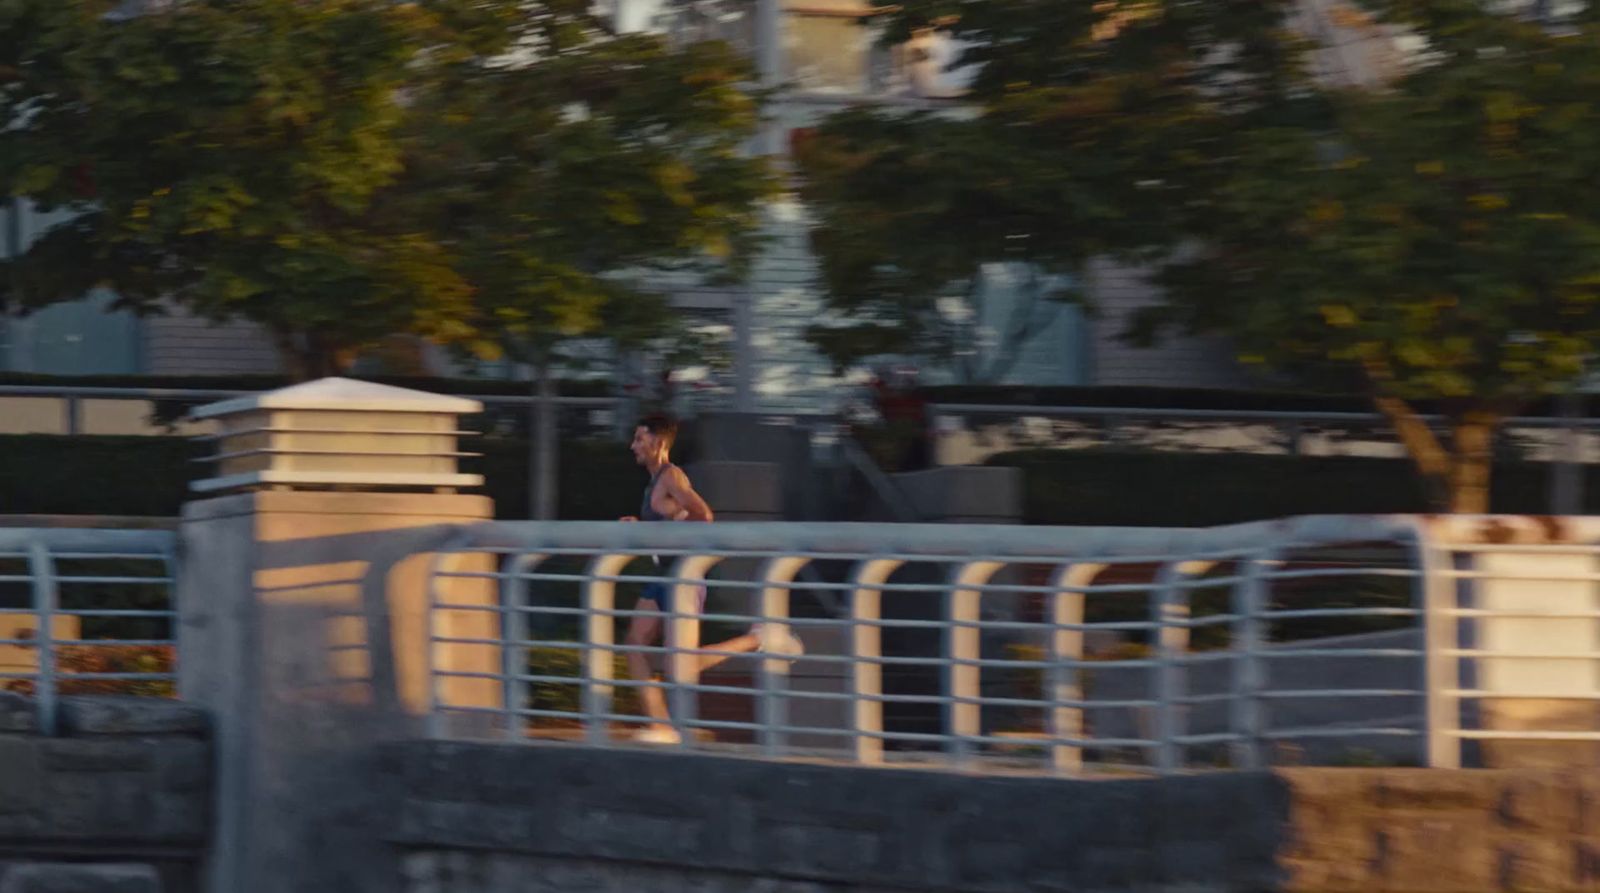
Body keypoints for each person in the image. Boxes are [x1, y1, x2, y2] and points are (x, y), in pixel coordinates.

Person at [620, 413, 803, 744]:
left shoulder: (672, 476)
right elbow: (672, 521)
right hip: (664, 574)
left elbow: (704, 515)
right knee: (634, 644)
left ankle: (758, 638)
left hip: (683, 579)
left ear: (657, 443)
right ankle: (661, 726)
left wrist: (661, 532)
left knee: (680, 670)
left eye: (639, 438)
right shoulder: (654, 482)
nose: (633, 446)